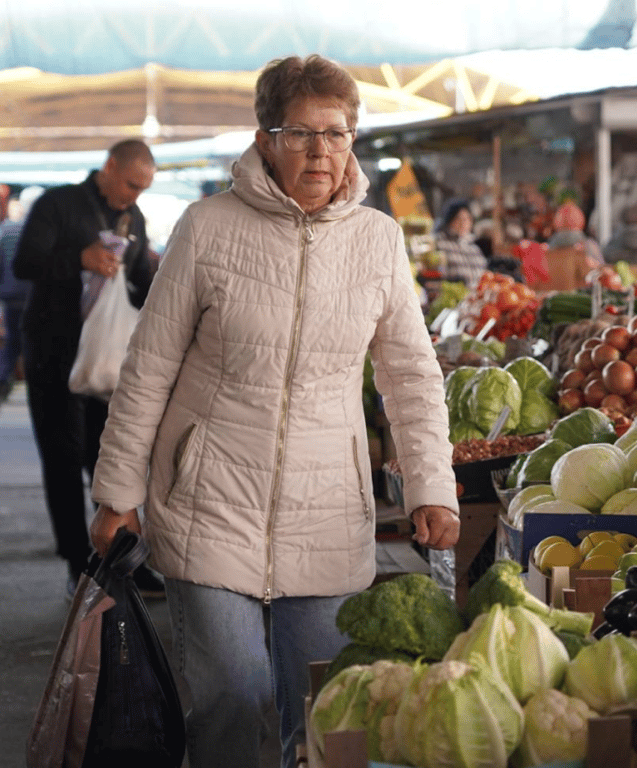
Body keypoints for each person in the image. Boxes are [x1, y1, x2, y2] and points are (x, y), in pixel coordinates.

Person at [88, 54, 460, 768]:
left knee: (320, 706)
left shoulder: (378, 241)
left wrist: (431, 486)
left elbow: (410, 376)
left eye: (338, 133)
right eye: (300, 133)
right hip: (209, 497)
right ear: (265, 140)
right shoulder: (207, 229)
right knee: (233, 692)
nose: (321, 151)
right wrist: (117, 493)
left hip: (325, 507)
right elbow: (150, 367)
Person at [12, 141, 161, 598]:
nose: (134, 196)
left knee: (111, 460)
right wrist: (80, 258)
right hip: (54, 354)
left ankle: (123, 560)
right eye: (131, 184)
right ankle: (78, 562)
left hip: (108, 362)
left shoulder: (131, 219)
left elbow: (141, 280)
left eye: (144, 189)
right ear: (109, 166)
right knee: (61, 459)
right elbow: (24, 263)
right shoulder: (57, 204)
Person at [0, 186, 42, 413]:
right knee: (32, 344)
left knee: (10, 342)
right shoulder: (46, 233)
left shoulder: (6, 230)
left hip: (10, 298)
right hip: (35, 299)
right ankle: (32, 390)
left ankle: (0, 379)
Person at [434, 198, 487, 287]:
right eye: (459, 219)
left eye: (467, 219)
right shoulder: (440, 243)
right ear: (449, 220)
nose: (463, 223)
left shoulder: (474, 248)